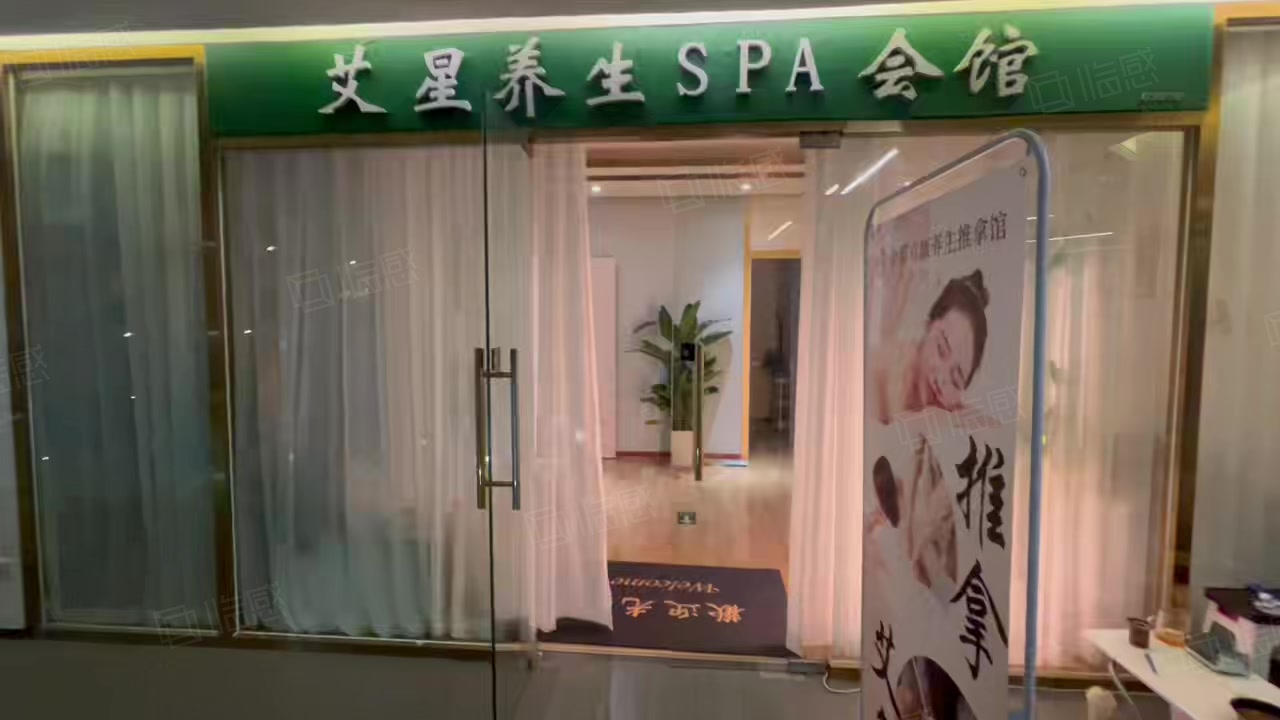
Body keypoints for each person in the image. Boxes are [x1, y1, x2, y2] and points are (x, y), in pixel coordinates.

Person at [871, 267, 991, 426]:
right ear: (927, 327)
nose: (941, 379)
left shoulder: (950, 414)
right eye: (941, 349)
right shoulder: (879, 371)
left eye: (956, 380)